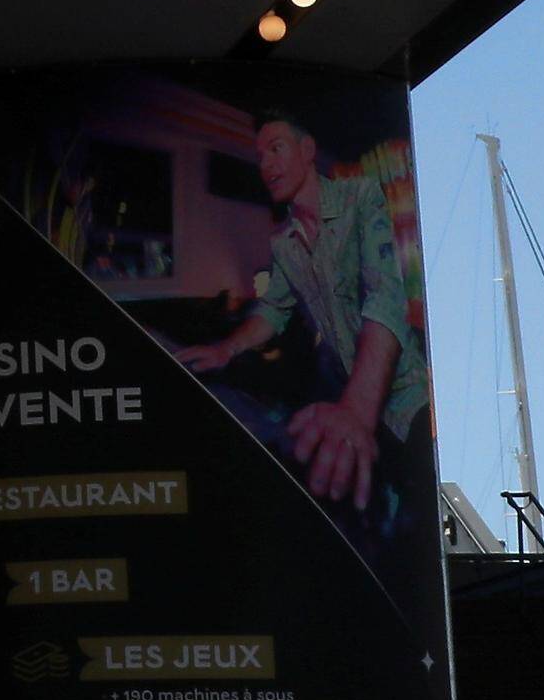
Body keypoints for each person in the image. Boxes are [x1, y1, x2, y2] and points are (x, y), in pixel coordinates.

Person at [170, 116, 425, 521]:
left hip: (409, 400)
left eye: (276, 148)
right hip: (351, 408)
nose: (266, 164)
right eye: (259, 156)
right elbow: (274, 309)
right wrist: (225, 349)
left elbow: (385, 297)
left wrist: (357, 408)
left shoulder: (361, 197)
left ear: (307, 151)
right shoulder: (283, 243)